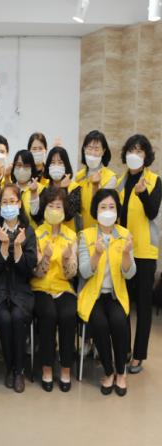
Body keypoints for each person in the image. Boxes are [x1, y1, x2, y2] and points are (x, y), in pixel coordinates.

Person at [78, 189, 135, 396]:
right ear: (96, 210)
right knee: (100, 324)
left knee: (119, 322)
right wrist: (96, 254)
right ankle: (109, 372)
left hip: (115, 295)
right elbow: (84, 271)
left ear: (117, 210)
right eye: (103, 207)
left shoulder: (125, 235)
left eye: (112, 207)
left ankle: (121, 372)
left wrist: (127, 254)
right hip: (93, 295)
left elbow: (130, 274)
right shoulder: (86, 235)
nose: (108, 211)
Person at [0, 183, 37, 393]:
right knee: (4, 319)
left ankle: (19, 371)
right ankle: (10, 368)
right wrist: (4, 247)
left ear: (19, 204)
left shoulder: (28, 231)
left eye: (12, 201)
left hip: (21, 292)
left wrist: (17, 247)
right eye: (4, 202)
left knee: (17, 317)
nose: (8, 206)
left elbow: (29, 267)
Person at [117, 135, 161, 374]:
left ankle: (138, 355)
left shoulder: (155, 181)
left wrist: (143, 193)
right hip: (123, 251)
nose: (135, 154)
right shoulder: (120, 182)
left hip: (144, 252)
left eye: (140, 151)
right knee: (123, 302)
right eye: (131, 150)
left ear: (146, 156)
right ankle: (124, 349)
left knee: (143, 307)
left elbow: (152, 212)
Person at [31, 187, 77, 393]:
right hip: (40, 288)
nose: (55, 210)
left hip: (63, 288)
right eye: (51, 206)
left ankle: (66, 368)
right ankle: (47, 367)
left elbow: (71, 274)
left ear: (64, 210)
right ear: (44, 208)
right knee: (48, 315)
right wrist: (46, 258)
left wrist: (67, 259)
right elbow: (36, 272)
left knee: (68, 315)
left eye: (59, 206)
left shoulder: (71, 236)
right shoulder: (36, 233)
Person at [75, 130, 117, 229]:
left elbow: (103, 207)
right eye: (89, 148)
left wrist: (95, 186)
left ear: (103, 151)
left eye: (97, 149)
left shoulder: (110, 177)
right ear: (84, 149)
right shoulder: (79, 176)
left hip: (102, 229)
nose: (92, 153)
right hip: (82, 230)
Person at [36, 147, 82, 230]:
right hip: (46, 233)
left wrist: (63, 189)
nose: (56, 166)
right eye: (53, 162)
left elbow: (68, 216)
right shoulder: (44, 187)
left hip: (67, 234)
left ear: (66, 166)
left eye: (60, 162)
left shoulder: (75, 188)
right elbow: (39, 215)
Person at [11, 150, 44, 230]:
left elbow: (39, 218)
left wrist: (34, 193)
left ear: (32, 168)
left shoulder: (41, 189)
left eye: (26, 166)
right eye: (18, 165)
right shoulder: (9, 189)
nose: (21, 169)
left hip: (33, 234)